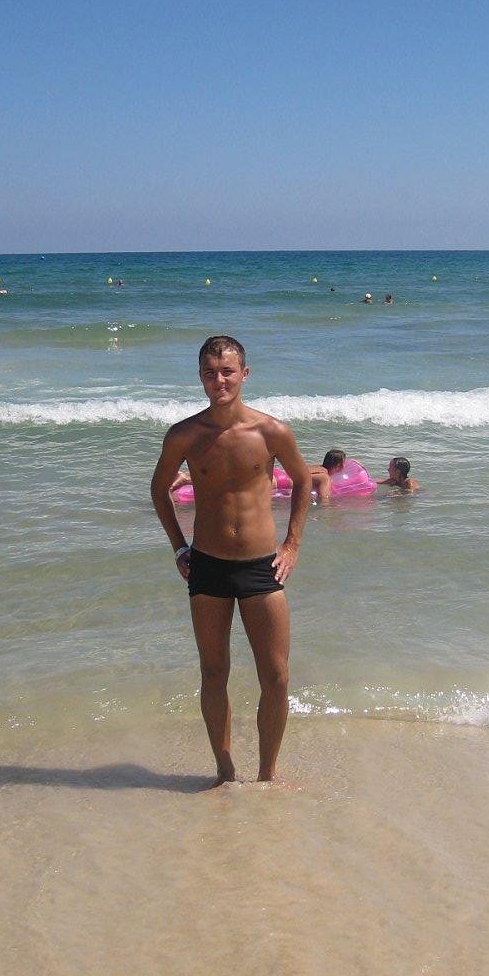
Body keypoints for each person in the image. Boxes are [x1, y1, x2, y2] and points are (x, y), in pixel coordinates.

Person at [151, 335, 311, 784]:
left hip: (261, 566)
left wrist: (292, 545)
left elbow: (303, 481)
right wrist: (179, 547)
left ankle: (267, 774)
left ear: (244, 374)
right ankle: (224, 771)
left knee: (276, 676)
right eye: (210, 373)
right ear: (200, 377)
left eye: (227, 372)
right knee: (213, 672)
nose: (219, 381)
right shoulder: (185, 435)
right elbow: (158, 490)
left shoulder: (271, 431)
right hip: (208, 565)